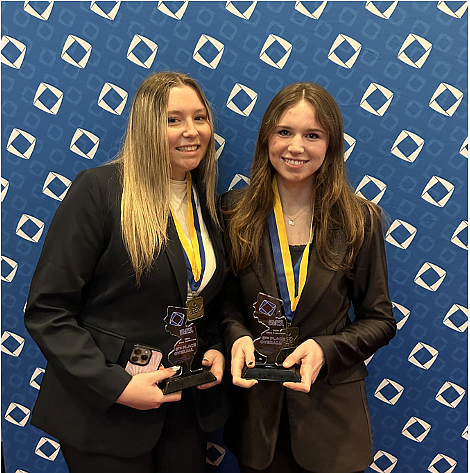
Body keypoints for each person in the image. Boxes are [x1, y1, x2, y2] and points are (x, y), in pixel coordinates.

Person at [24, 71, 231, 473]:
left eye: (200, 118)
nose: (191, 131)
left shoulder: (207, 203)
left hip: (182, 407)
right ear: (146, 127)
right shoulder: (99, 190)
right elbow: (47, 311)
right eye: (173, 120)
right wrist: (117, 386)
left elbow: (197, 299)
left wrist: (213, 348)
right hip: (104, 415)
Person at [220, 82, 397, 473]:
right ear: (266, 137)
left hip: (331, 417)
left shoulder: (359, 220)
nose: (296, 147)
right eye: (284, 131)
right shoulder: (233, 213)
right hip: (258, 417)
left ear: (331, 144)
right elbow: (226, 303)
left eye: (312, 135)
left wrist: (326, 349)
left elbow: (380, 319)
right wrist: (237, 336)